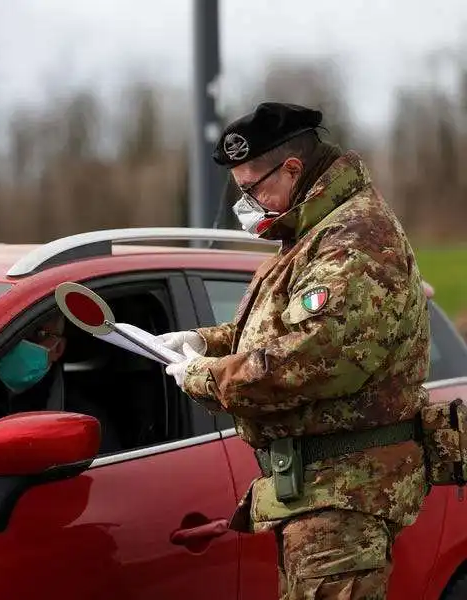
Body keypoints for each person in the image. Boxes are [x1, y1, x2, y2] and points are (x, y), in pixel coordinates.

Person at [160, 102, 430, 599]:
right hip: (317, 493)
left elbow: (315, 361)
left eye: (250, 190)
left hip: (345, 495)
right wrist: (206, 340)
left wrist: (206, 375)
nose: (247, 203)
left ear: (291, 168)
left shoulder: (353, 237)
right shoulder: (314, 231)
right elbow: (285, 328)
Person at [0, 314, 122, 453]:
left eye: (38, 334)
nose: (19, 343)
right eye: (13, 332)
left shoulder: (79, 418)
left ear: (58, 348)